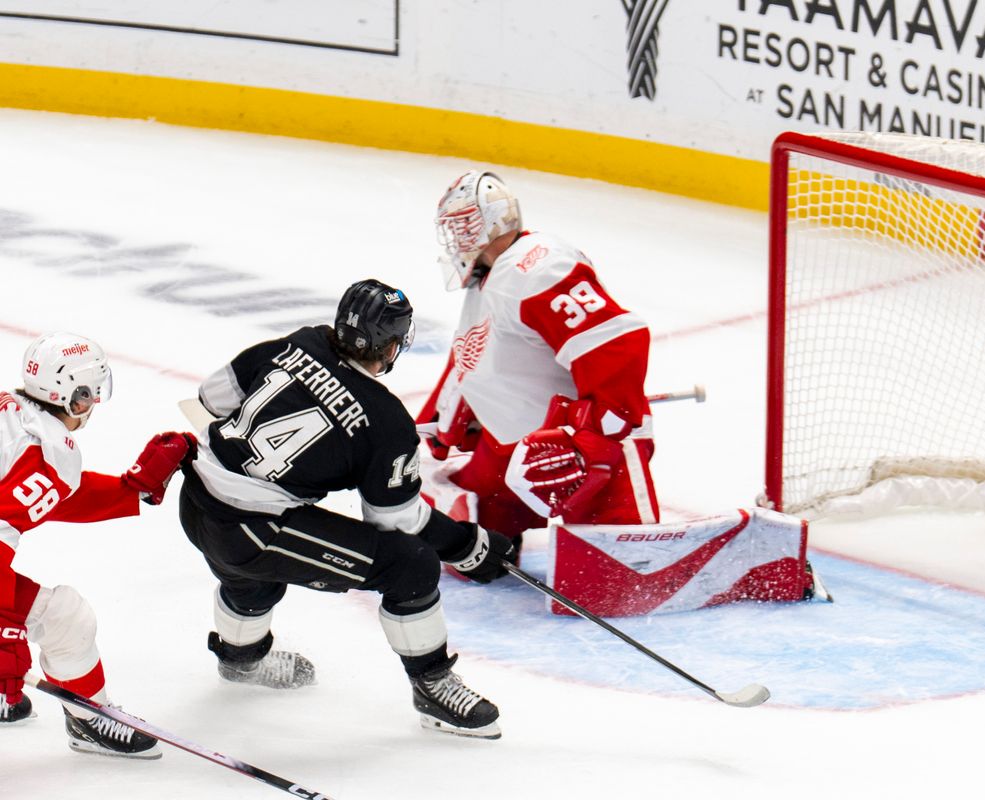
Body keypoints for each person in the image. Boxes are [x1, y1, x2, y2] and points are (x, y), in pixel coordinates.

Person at [177, 278, 513, 739]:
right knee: (410, 567)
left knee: (252, 571)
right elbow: (394, 522)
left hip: (194, 497)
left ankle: (241, 661)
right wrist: (463, 545)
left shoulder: (301, 341)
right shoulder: (386, 421)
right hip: (253, 531)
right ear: (389, 344)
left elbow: (211, 397)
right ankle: (433, 686)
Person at [418, 170, 659, 558]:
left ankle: (624, 542)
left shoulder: (536, 266)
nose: (456, 238)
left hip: (577, 444)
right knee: (467, 541)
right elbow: (472, 359)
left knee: (616, 571)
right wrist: (443, 419)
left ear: (492, 221)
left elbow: (615, 342)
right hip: (511, 447)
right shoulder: (488, 280)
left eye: (463, 224)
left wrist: (596, 434)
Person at [0, 332, 196, 759]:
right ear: (78, 397)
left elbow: (42, 495)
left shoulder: (10, 412)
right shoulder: (46, 449)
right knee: (65, 617)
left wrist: (132, 492)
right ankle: (90, 719)